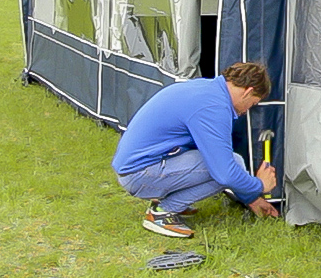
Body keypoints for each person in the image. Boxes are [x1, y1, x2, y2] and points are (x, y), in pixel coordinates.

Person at [112, 62, 279, 238]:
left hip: (137, 167)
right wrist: (259, 185)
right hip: (138, 175)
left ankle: (166, 204)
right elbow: (225, 173)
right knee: (230, 164)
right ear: (247, 91)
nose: (247, 111)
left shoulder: (207, 90)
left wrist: (250, 198)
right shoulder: (214, 108)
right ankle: (162, 212)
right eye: (253, 103)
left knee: (225, 163)